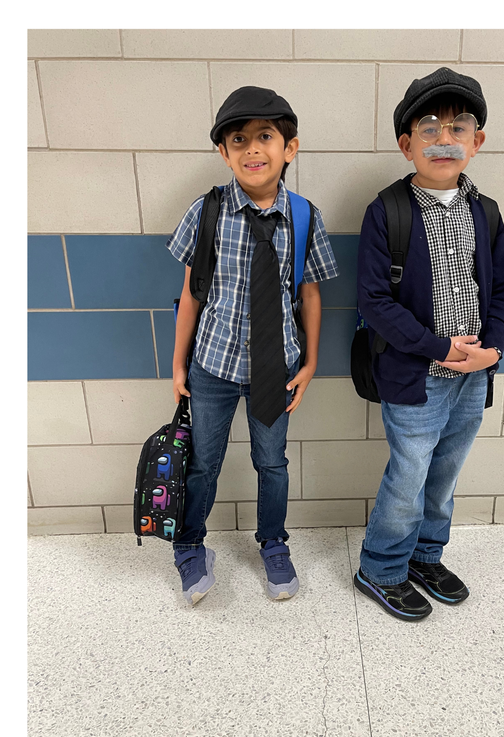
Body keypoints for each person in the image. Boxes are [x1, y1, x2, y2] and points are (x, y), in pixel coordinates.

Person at [354, 68, 504, 621]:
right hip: (414, 375)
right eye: (428, 128)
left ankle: (425, 555)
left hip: (474, 375)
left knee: (445, 472)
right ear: (406, 145)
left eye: (458, 126)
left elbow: (503, 289)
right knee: (409, 473)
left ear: (477, 142)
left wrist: (491, 350)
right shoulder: (388, 212)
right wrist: (437, 347)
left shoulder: (485, 211)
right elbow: (375, 302)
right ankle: (380, 566)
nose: (444, 138)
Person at [168, 86, 338, 605]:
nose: (252, 149)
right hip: (213, 366)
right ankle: (190, 545)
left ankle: (273, 543)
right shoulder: (209, 211)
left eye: (265, 136)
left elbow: (310, 296)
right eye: (238, 140)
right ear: (224, 153)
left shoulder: (304, 216)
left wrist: (310, 363)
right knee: (202, 462)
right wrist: (177, 366)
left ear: (290, 147)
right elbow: (190, 296)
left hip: (275, 366)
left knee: (273, 463)